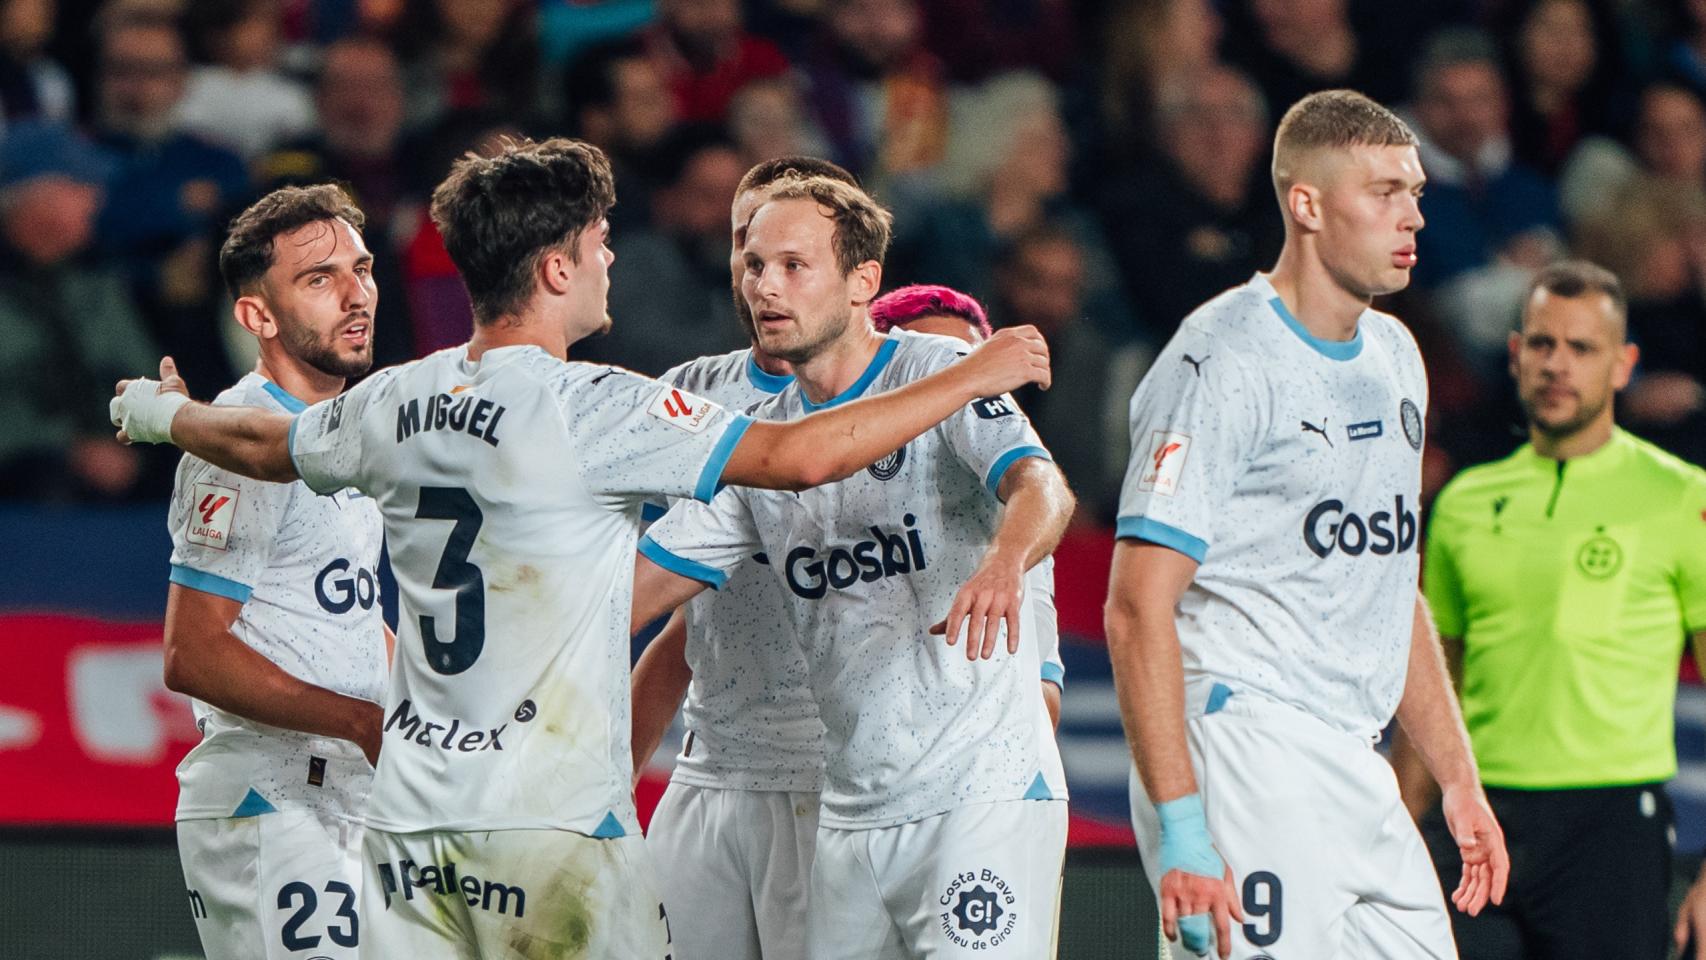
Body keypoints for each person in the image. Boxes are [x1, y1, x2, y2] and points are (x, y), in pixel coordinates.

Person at [110, 136, 1052, 959]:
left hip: (410, 827)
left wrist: (163, 416)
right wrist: (976, 373)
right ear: (557, 268)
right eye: (600, 245)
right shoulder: (598, 407)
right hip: (547, 826)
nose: (612, 262)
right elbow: (799, 456)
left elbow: (262, 445)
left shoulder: (392, 399)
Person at [1104, 89, 1509, 960]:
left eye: (1416, 193)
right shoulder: (1221, 359)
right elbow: (1137, 607)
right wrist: (1181, 827)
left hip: (1354, 761)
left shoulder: (1399, 357)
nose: (1412, 218)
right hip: (1245, 743)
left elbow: (1386, 582)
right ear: (1308, 204)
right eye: (1384, 193)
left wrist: (1458, 778)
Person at [632, 174, 1073, 959]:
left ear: (863, 282)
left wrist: (1005, 560)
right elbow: (644, 593)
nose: (766, 286)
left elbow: (1041, 486)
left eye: (795, 266)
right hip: (849, 809)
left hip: (978, 793)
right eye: (755, 264)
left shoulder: (940, 370)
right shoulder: (763, 441)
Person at [1391, 260, 1706, 960]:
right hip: (1474, 821)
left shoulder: (1681, 497)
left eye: (1582, 348)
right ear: (1515, 354)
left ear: (1623, 365)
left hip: (1611, 828)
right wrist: (1400, 817)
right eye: (1541, 344)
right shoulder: (1466, 502)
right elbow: (1436, 677)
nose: (1557, 364)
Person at [628, 154, 860, 960]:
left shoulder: (884, 397)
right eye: (745, 249)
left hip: (825, 776)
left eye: (788, 258)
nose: (763, 277)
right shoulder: (688, 392)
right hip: (708, 766)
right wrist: (612, 778)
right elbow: (678, 626)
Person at [165, 184, 389, 960]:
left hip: (351, 793)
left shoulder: (340, 436)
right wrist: (362, 722)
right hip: (270, 795)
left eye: (361, 269)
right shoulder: (238, 445)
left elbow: (347, 619)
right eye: (320, 279)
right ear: (258, 316)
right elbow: (191, 653)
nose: (356, 294)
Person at [868, 282, 1067, 727]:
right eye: (937, 371)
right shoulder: (816, 488)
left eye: (974, 370)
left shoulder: (1016, 526)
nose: (965, 393)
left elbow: (1044, 704)